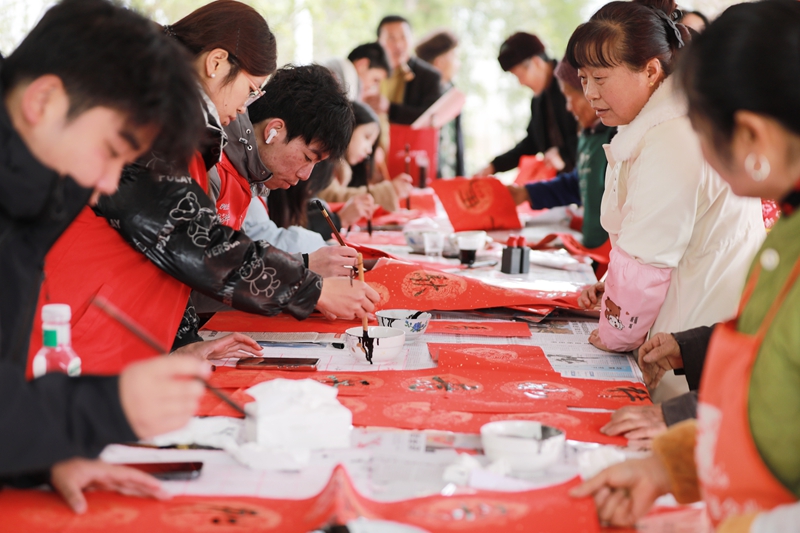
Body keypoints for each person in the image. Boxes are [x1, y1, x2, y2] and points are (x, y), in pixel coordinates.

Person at [28, 0, 379, 377]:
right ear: (215, 64)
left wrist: (183, 344)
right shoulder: (146, 117)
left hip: (109, 342)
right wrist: (312, 288)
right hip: (69, 340)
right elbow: (193, 240)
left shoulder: (181, 132)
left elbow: (165, 263)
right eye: (250, 89)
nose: (247, 106)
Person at [572, 3, 800, 529]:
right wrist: (668, 465)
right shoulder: (786, 231)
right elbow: (768, 379)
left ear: (752, 135)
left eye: (702, 127)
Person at [0, 0, 210, 512]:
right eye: (112, 149)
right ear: (44, 100)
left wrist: (42, 455)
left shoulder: (40, 186)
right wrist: (105, 408)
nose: (108, 183)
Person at [570, 0, 765, 403]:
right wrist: (610, 288)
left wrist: (614, 331)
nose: (590, 92)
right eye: (583, 78)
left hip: (692, 335)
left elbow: (648, 260)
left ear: (651, 71)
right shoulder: (662, 123)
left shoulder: (671, 136)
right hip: (687, 328)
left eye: (601, 78)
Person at [212, 65, 363, 274]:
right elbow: (207, 272)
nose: (305, 175)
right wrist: (305, 267)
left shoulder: (249, 175)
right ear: (274, 130)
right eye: (307, 158)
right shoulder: (213, 162)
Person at [507, 58, 615, 260]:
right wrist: (526, 194)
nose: (568, 107)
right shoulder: (587, 135)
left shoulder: (614, 137)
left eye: (570, 97)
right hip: (591, 250)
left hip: (610, 256)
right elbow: (578, 184)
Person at [475, 32, 579, 177]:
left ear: (537, 62)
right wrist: (494, 166)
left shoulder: (574, 80)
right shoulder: (538, 99)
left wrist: (565, 153)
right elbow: (531, 143)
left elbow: (597, 129)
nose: (521, 83)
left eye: (520, 75)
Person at [317, 101, 413, 213]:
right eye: (367, 137)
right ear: (348, 128)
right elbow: (333, 198)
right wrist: (389, 191)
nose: (369, 150)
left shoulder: (343, 169)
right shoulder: (322, 160)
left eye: (372, 144)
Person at [375, 15, 443, 125]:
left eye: (403, 37)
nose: (398, 44)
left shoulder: (429, 76)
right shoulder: (369, 69)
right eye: (391, 38)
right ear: (378, 42)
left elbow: (430, 118)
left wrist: (389, 109)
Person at [415, 29, 464, 178]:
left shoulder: (452, 93)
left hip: (449, 177)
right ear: (439, 61)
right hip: (425, 176)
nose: (458, 64)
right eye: (454, 56)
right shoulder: (418, 92)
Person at [323, 42, 391, 104]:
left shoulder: (332, 66)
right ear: (362, 65)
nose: (372, 87)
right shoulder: (343, 80)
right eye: (375, 80)